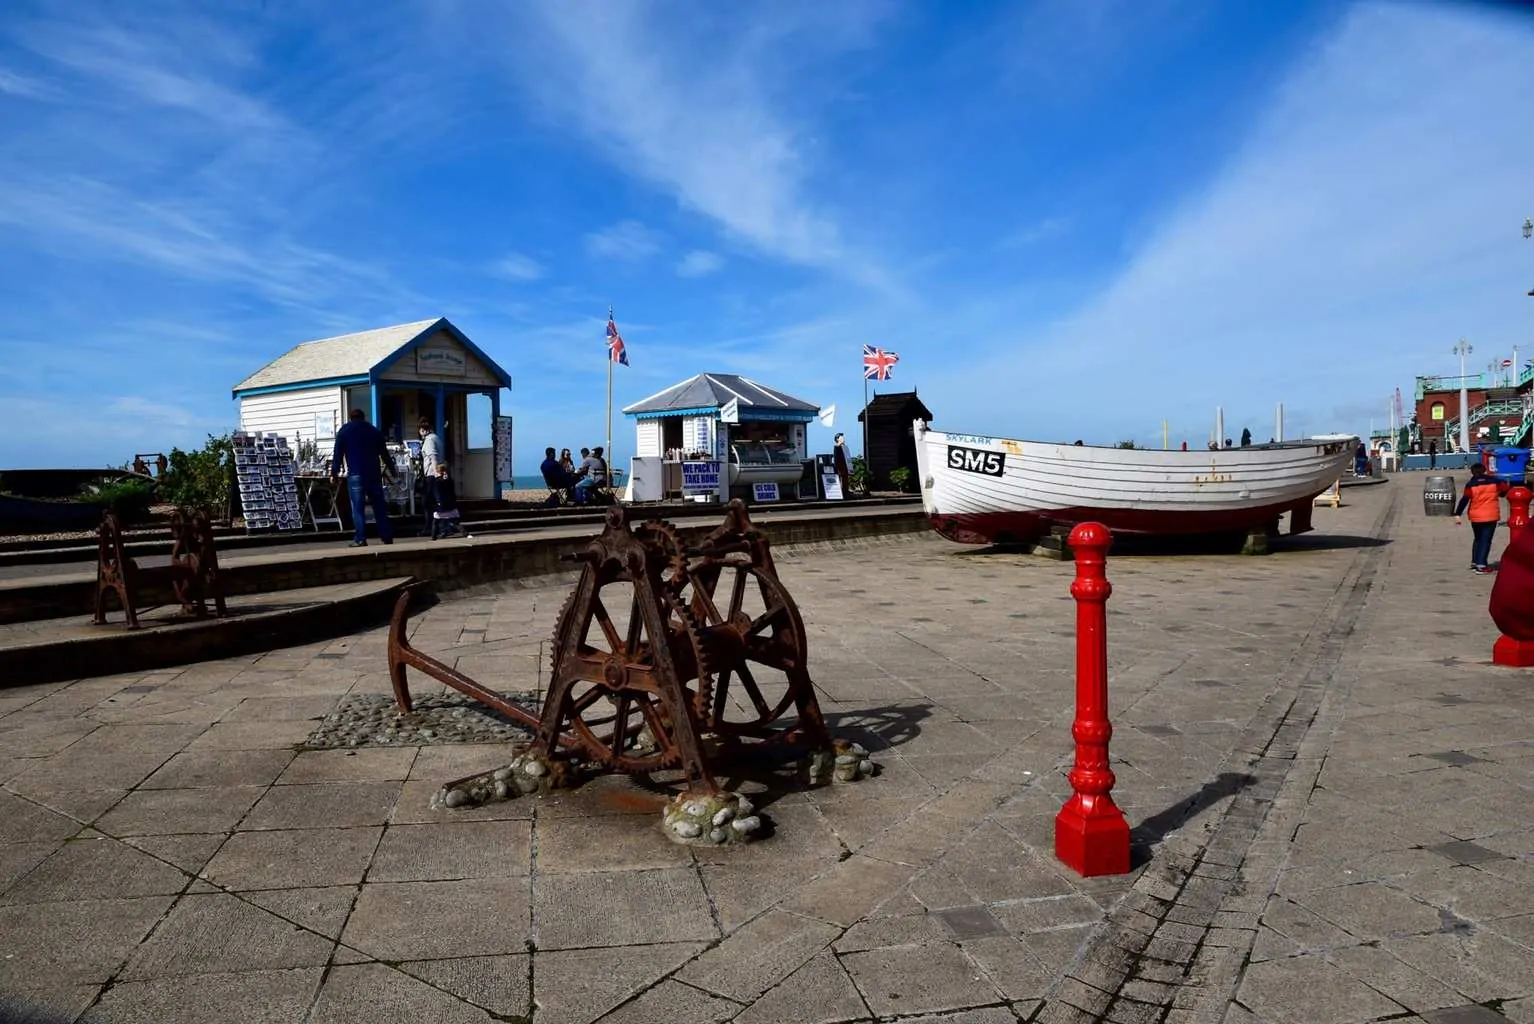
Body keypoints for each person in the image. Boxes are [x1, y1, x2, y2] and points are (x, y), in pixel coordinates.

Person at [330, 408, 396, 547]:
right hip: (374, 474)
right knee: (379, 507)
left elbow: (338, 454)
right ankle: (386, 536)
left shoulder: (344, 431)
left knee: (358, 508)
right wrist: (392, 470)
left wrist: (334, 473)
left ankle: (360, 538)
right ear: (364, 417)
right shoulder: (374, 431)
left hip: (356, 474)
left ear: (350, 418)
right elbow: (384, 453)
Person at [1454, 462, 1508, 574]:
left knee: (1478, 539)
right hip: (1490, 515)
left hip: (1476, 516)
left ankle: (1475, 561)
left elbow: (1464, 500)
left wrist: (1458, 513)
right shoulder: (1495, 481)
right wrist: (1499, 494)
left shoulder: (1471, 484)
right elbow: (1505, 489)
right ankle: (1481, 565)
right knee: (1486, 540)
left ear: (1472, 472)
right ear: (1484, 470)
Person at [416, 417, 442, 535]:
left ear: (423, 430)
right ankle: (437, 526)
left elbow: (433, 457)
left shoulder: (429, 440)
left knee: (427, 502)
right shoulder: (436, 438)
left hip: (431, 474)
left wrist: (436, 473)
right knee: (435, 501)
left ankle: (431, 527)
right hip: (435, 474)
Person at [427, 463, 463, 539]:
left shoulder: (436, 481)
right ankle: (465, 533)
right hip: (450, 504)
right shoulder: (449, 480)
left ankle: (433, 536)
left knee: (436, 521)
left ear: (437, 471)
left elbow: (435, 492)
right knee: (454, 521)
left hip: (441, 504)